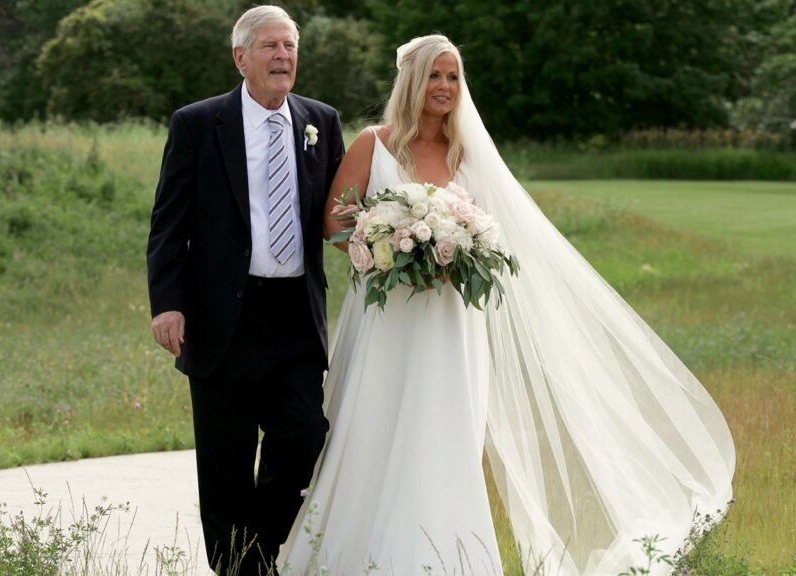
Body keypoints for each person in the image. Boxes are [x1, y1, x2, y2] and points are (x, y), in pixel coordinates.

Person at [281, 35, 735, 576]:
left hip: (453, 322)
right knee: (372, 424)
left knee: (443, 429)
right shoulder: (372, 144)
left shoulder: (468, 154)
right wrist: (383, 252)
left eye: (453, 77)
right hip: (387, 316)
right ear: (411, 81)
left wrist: (451, 254)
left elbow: (495, 236)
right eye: (434, 76)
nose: (445, 87)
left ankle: (444, 560)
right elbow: (335, 220)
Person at [146, 6, 344, 574]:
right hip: (221, 319)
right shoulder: (197, 123)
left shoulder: (321, 121)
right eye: (270, 47)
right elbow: (169, 223)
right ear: (241, 58)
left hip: (295, 318)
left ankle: (257, 552)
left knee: (303, 438)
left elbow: (339, 212)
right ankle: (239, 569)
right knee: (226, 462)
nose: (283, 57)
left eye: (290, 47)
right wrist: (168, 303)